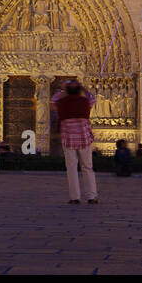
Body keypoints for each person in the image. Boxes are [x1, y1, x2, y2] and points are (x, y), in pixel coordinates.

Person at [50, 77, 98, 205]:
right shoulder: (84, 102)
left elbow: (53, 99)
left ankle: (74, 197)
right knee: (87, 167)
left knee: (71, 168)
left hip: (68, 140)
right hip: (84, 139)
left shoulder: (61, 103)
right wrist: (83, 88)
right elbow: (92, 98)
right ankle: (91, 196)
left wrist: (63, 89)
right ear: (78, 90)